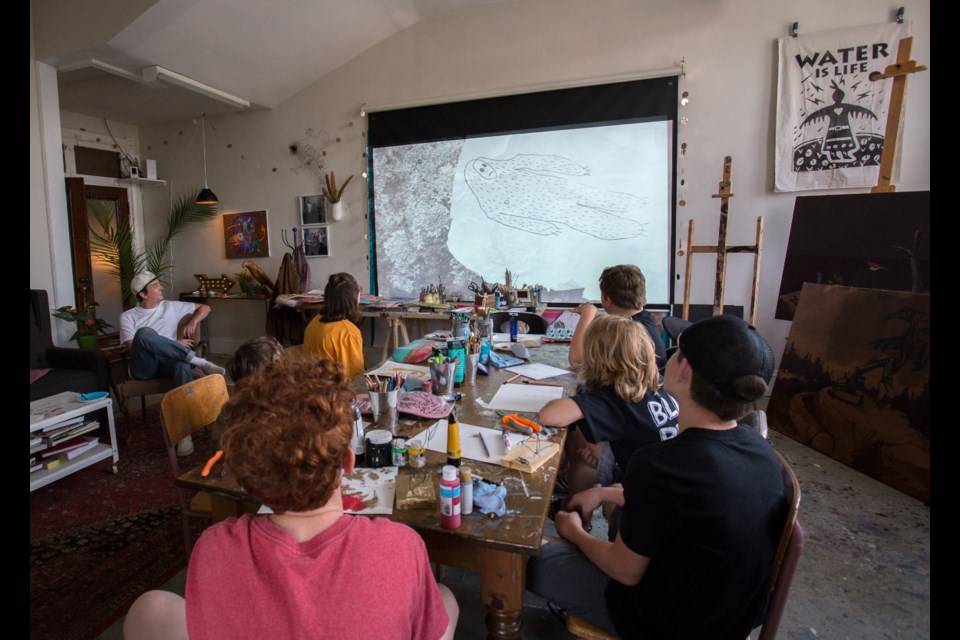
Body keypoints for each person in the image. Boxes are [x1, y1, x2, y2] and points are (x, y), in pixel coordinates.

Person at [122, 359, 460, 640]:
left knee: (148, 608)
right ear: (347, 461)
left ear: (250, 475)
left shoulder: (214, 546)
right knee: (446, 600)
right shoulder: (401, 545)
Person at [527, 315, 787, 639]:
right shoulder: (758, 448)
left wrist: (575, 533)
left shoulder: (660, 463)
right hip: (726, 617)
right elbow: (690, 505)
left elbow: (625, 570)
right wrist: (605, 493)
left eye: (676, 351)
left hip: (665, 623)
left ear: (684, 370)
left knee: (526, 556)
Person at [539, 314, 678, 503]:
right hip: (668, 470)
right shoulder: (656, 382)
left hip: (648, 486)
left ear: (595, 357)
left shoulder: (615, 397)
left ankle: (571, 519)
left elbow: (549, 415)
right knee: (586, 445)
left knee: (581, 465)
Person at [119, 270, 225, 456]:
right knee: (143, 333)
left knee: (181, 365)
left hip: (170, 362)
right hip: (145, 368)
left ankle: (184, 434)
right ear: (142, 294)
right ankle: (198, 361)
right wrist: (174, 344)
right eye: (155, 286)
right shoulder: (128, 316)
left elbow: (205, 308)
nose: (161, 287)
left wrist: (193, 321)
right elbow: (131, 346)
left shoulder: (170, 306)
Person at [568, 265, 666, 371]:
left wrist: (588, 312)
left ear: (607, 300)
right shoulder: (646, 319)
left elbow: (577, 360)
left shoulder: (627, 329)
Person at [302, 272, 365, 377]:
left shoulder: (314, 323)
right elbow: (354, 377)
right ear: (353, 298)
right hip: (335, 391)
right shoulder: (348, 332)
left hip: (312, 388)